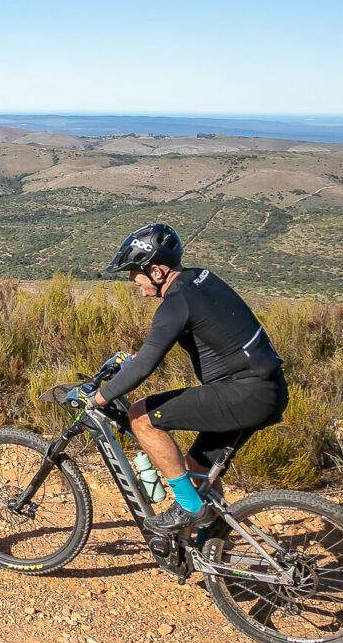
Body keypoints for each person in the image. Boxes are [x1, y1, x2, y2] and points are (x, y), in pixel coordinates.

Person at [79, 223, 287, 534]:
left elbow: (146, 365)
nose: (130, 280)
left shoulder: (174, 304)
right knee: (199, 468)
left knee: (141, 417)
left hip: (244, 393)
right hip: (268, 389)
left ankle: (188, 508)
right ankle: (212, 548)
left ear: (157, 272)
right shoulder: (199, 279)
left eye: (134, 272)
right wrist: (135, 359)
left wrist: (96, 399)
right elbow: (159, 346)